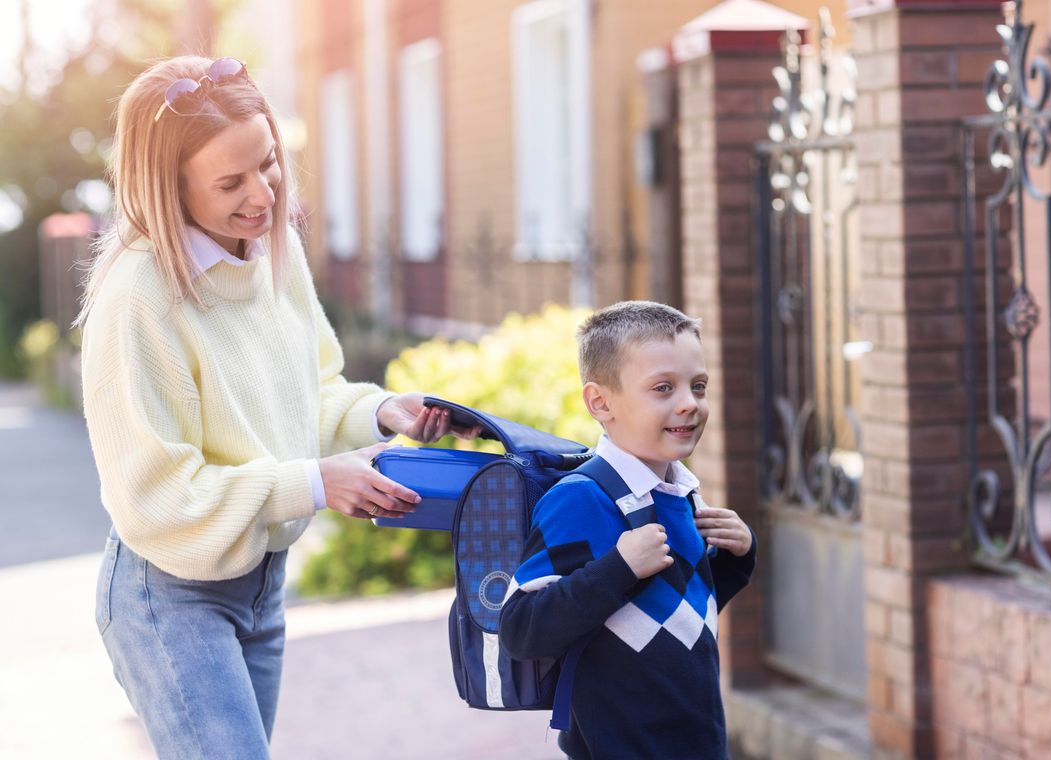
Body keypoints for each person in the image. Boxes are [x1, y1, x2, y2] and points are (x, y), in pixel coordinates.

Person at [77, 56, 474, 758]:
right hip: (170, 594)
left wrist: (386, 413)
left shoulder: (271, 250)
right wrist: (317, 482)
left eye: (267, 164)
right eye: (230, 182)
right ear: (169, 190)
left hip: (261, 585)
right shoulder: (139, 300)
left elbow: (310, 396)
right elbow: (158, 497)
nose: (263, 195)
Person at [499, 300, 757, 759]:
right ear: (601, 402)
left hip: (697, 742)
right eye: (663, 388)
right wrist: (618, 568)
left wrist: (739, 558)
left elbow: (680, 617)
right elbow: (522, 629)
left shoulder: (679, 492)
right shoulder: (581, 498)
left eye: (698, 386)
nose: (689, 404)